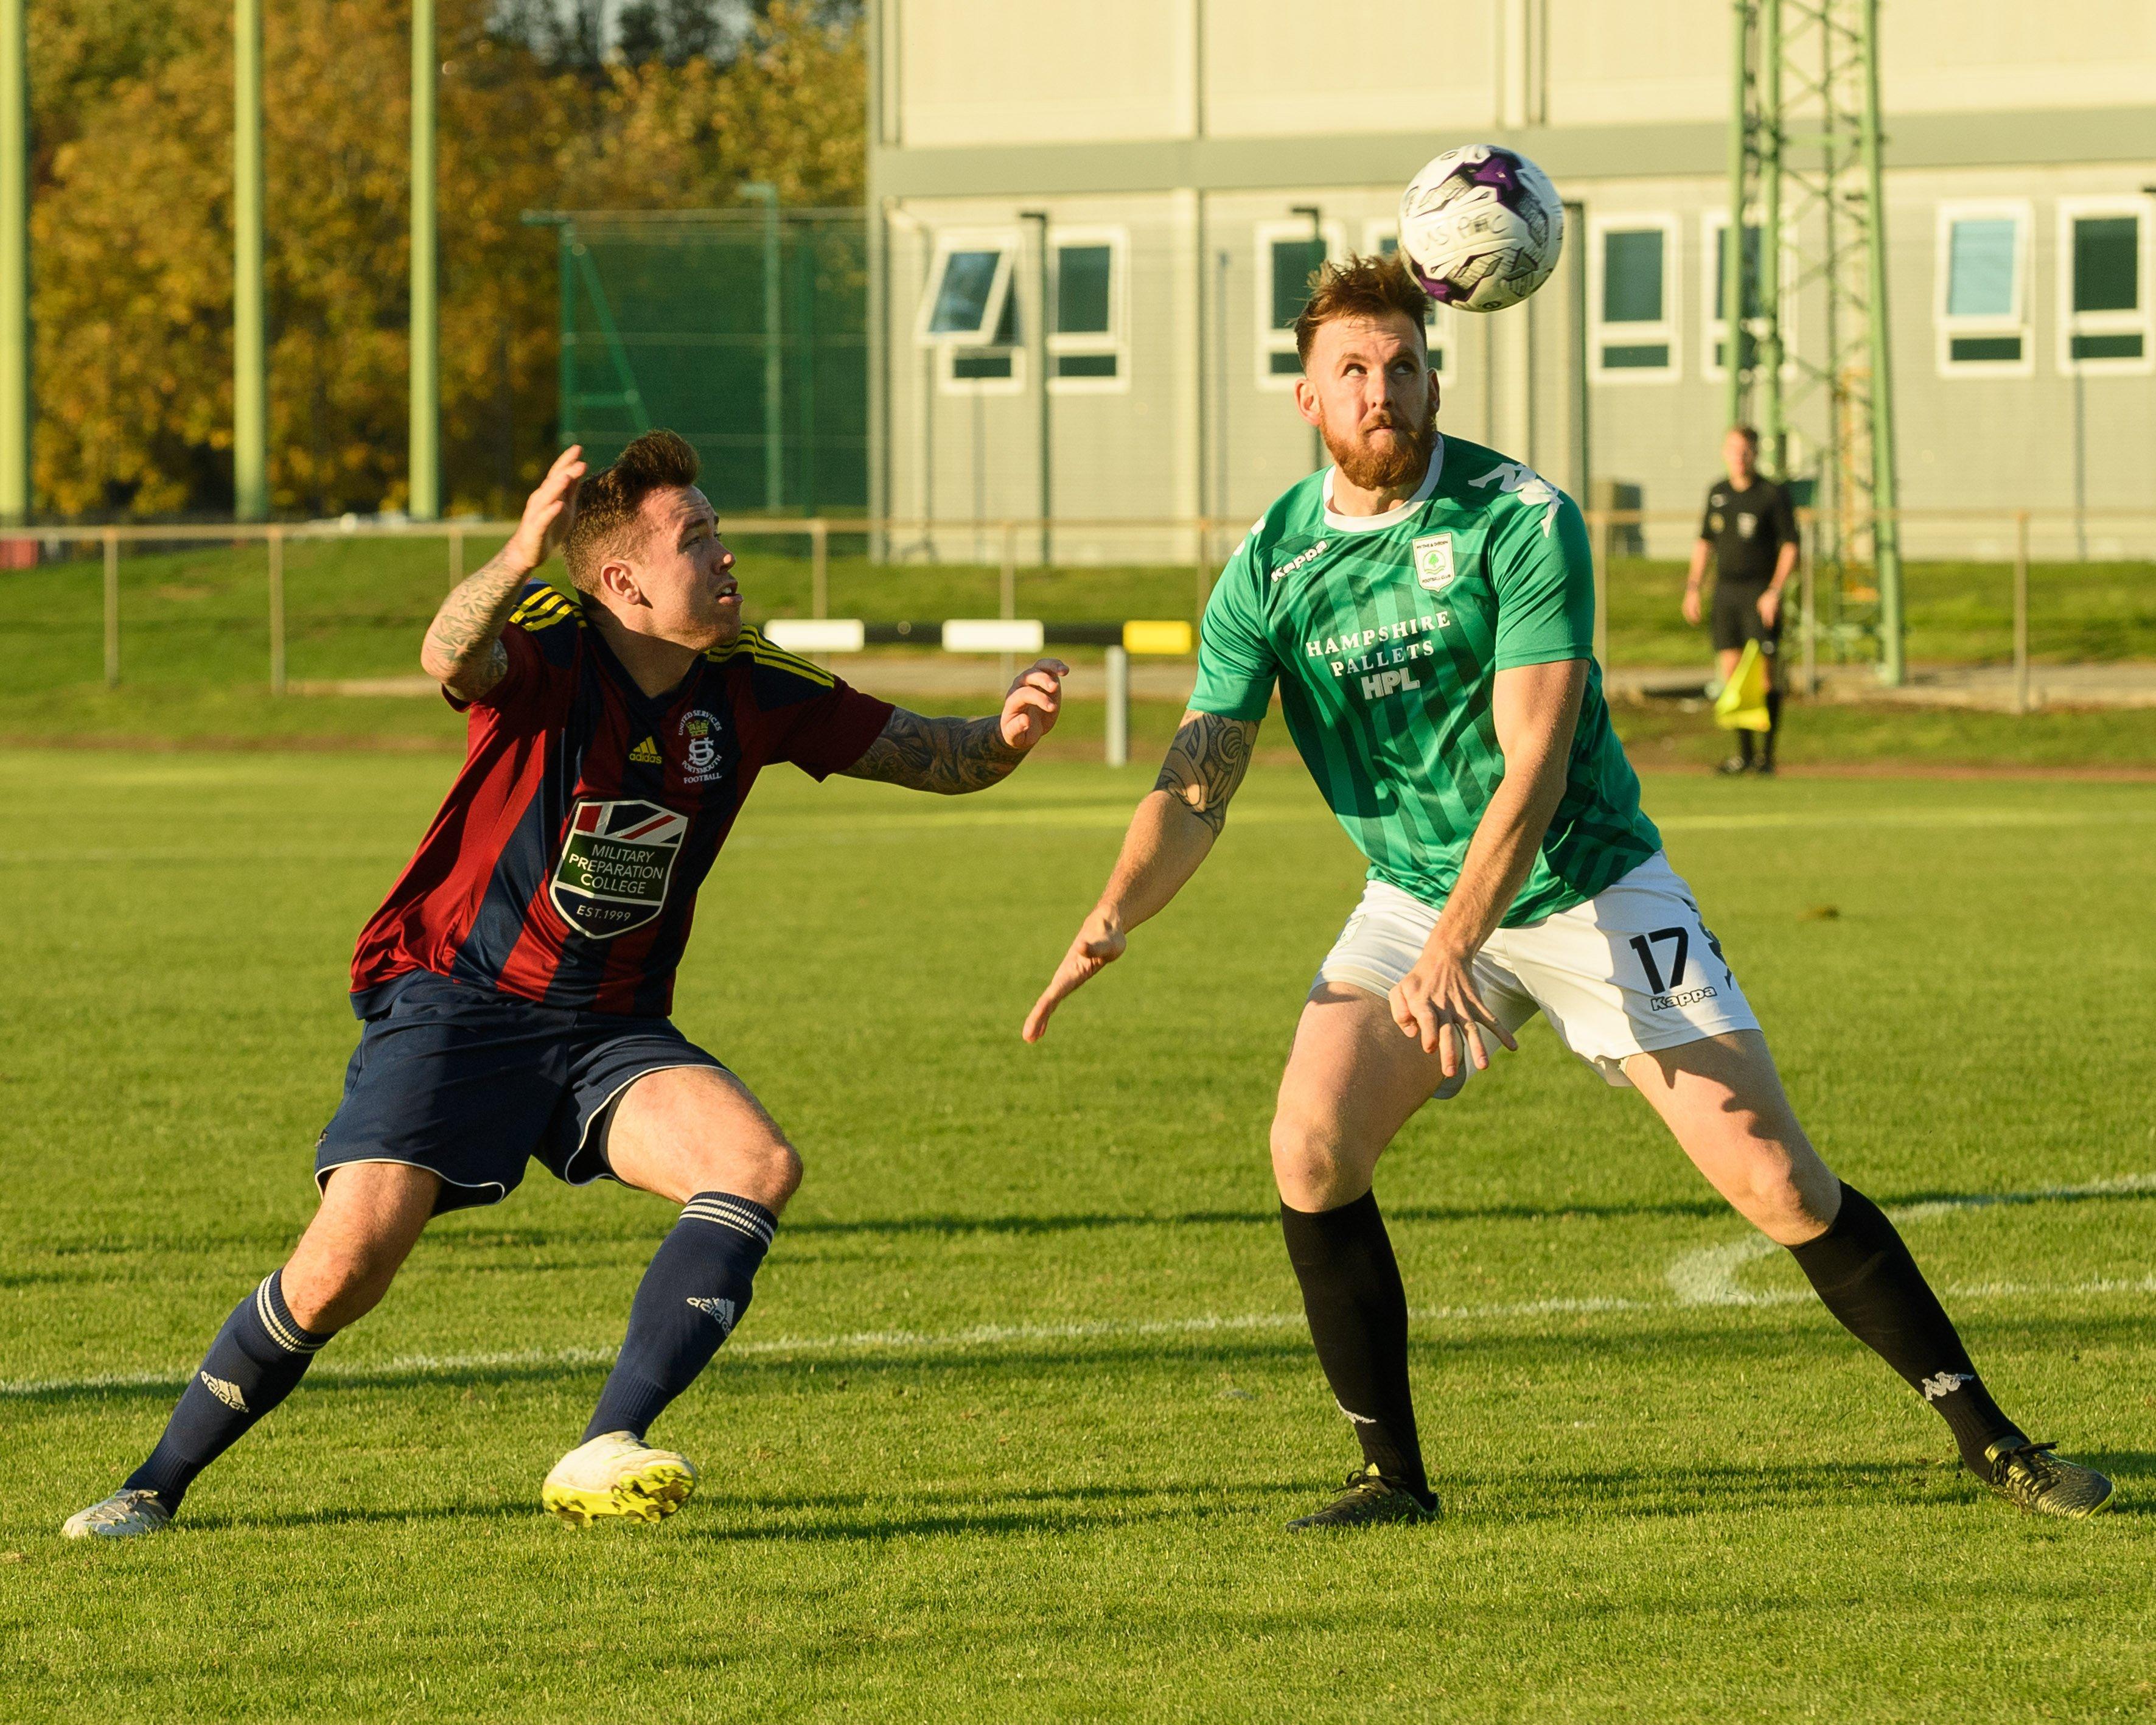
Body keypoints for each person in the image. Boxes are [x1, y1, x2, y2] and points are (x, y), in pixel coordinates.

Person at [1022, 256, 2110, 1530]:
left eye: (1405, 365)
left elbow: (1534, 764)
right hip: (1416, 894)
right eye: (1354, 372)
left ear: (1437, 374)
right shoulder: (1269, 562)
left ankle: (1989, 1440)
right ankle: (1393, 1480)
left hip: (1588, 880)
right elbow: (1199, 775)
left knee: (1773, 1179)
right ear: (1306, 399)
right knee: (1309, 1146)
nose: (1384, 390)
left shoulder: (1515, 517)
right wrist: (1111, 913)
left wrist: (1452, 949)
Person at [64, 431, 1069, 1538]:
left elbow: (935, 751)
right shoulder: (548, 640)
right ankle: (152, 1483)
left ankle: (605, 1441)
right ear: (622, 581)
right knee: (345, 1264)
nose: (726, 555)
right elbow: (451, 658)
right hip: (457, 997)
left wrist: (1005, 735)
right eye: (698, 538)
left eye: (720, 530)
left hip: (610, 1025)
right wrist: (516, 554)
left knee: (753, 1162)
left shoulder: (754, 683)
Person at [1683, 425, 1798, 774]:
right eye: (1733, 449)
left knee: (1763, 677)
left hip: (1759, 593)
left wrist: (1775, 591)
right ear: (1724, 452)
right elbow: (1705, 543)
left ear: (1755, 454)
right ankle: (1744, 755)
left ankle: (1767, 756)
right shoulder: (1718, 493)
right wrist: (1693, 587)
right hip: (1726, 594)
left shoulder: (1771, 495)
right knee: (1732, 678)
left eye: (1745, 450)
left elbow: (1790, 545)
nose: (1739, 457)